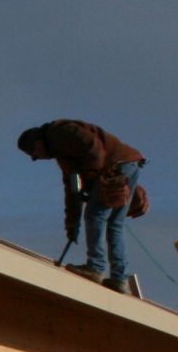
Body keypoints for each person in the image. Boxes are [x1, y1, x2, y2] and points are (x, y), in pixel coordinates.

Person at [16, 120, 146, 290]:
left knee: (95, 215)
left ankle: (95, 267)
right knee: (115, 223)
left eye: (35, 154)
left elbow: (94, 148)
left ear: (38, 143)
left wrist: (92, 179)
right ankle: (119, 278)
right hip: (129, 163)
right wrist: (72, 225)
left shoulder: (61, 133)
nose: (39, 159)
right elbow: (73, 191)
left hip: (115, 166)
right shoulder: (63, 155)